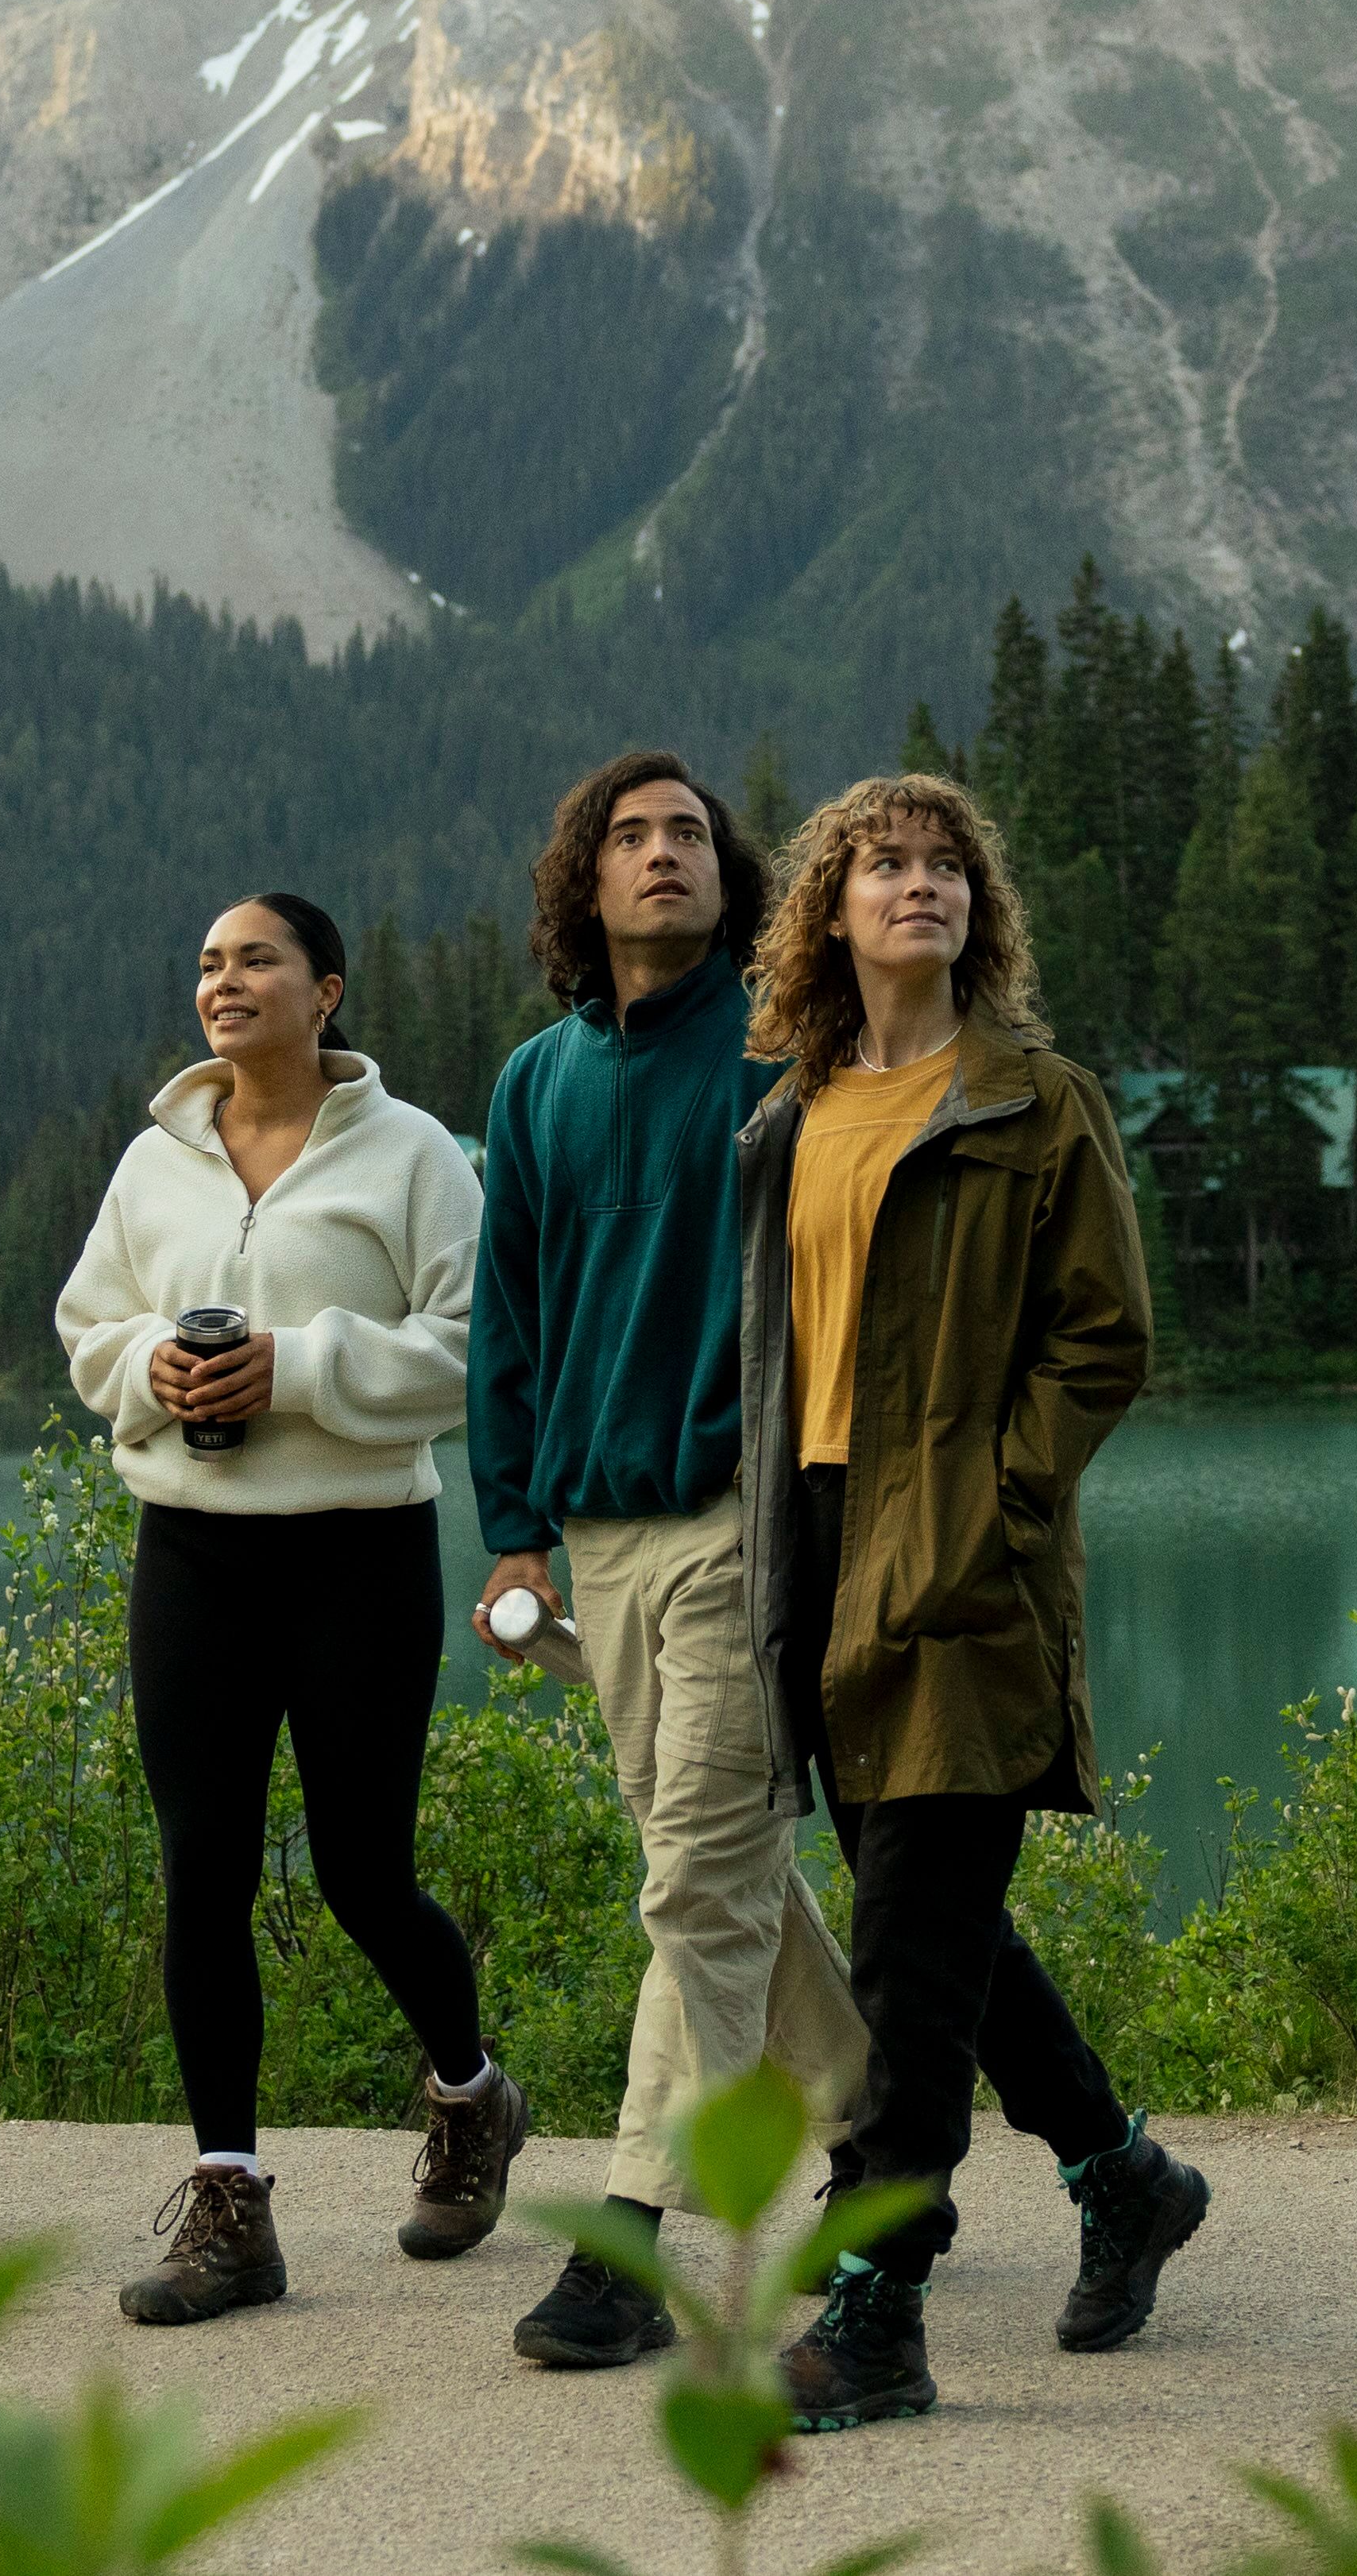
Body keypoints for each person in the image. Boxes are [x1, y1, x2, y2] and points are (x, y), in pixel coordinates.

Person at [731, 770, 1204, 2432]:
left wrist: (1002, 1501)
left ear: (973, 911)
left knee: (900, 1964)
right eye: (880, 865)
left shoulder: (1032, 1102)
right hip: (811, 1543)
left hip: (963, 1553)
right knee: (924, 1919)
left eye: (942, 866)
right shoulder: (783, 1118)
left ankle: (879, 2305)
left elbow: (1103, 1340)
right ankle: (1117, 2172)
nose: (914, 885)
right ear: (831, 911)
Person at [55, 892, 528, 2323]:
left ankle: (470, 2091)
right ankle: (232, 2207)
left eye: (255, 958)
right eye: (206, 959)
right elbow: (90, 1327)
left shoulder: (416, 1154)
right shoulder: (154, 1161)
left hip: (360, 1552)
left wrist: (300, 1366)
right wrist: (158, 1367)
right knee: (199, 1865)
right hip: (191, 1554)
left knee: (361, 1872)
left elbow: (474, 1344)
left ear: (327, 989)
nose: (224, 979)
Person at [464, 752, 875, 2373]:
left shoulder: (785, 1056)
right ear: (585, 880)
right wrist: (507, 1528)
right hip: (593, 1534)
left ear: (729, 877)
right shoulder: (530, 1081)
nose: (662, 857)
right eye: (630, 837)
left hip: (740, 1519)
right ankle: (882, 2148)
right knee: (728, 1876)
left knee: (694, 1879)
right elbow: (506, 1315)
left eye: (689, 836)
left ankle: (626, 2241)